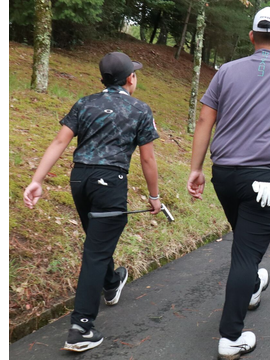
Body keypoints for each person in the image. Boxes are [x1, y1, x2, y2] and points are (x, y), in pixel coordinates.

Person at [187, 7, 270, 359]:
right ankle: (231, 336)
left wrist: (195, 168)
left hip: (226, 176)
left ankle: (251, 284)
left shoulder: (227, 72)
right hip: (265, 180)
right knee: (246, 255)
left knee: (245, 246)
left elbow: (205, 118)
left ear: (251, 37)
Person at [22, 52, 161, 352]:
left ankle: (111, 282)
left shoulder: (85, 103)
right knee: (95, 251)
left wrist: (37, 179)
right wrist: (154, 197)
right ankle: (81, 327)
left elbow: (60, 141)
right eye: (134, 74)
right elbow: (148, 159)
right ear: (129, 79)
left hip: (80, 180)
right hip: (109, 183)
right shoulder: (140, 109)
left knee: (98, 241)